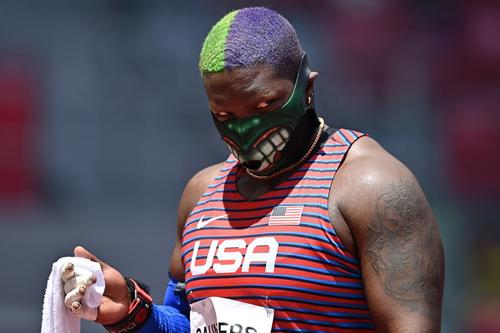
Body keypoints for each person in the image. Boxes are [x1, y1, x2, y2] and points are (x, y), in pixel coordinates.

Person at [60, 7, 445, 333]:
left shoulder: (371, 188)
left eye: (264, 107)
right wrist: (132, 309)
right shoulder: (201, 194)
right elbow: (185, 322)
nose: (245, 132)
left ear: (307, 88)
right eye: (224, 115)